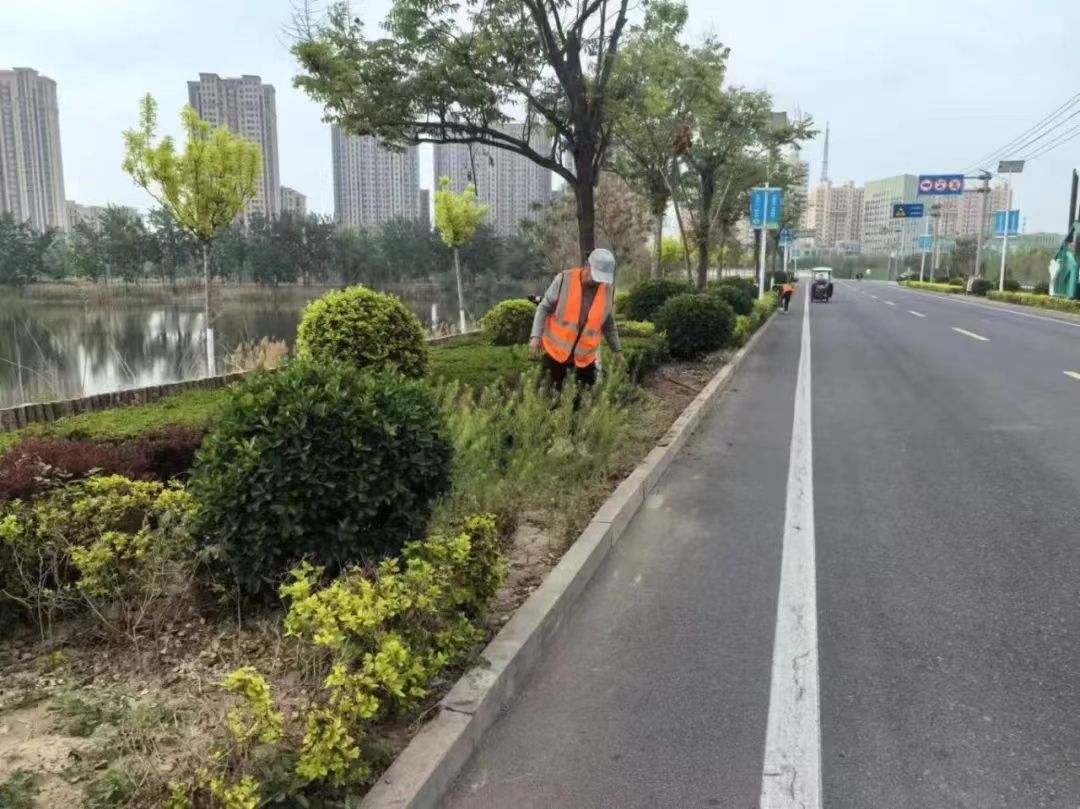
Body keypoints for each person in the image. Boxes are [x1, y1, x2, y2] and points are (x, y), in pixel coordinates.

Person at [529, 248, 622, 390]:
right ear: (587, 265)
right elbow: (544, 307)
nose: (597, 281)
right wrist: (536, 336)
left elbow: (608, 324)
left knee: (584, 399)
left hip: (585, 358)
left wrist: (617, 350)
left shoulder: (607, 290)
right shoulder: (564, 279)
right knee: (549, 396)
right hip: (555, 353)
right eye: (595, 275)